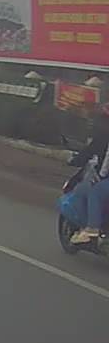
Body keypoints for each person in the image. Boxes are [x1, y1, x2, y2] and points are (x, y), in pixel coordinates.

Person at [69, 103, 109, 244]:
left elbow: (103, 161)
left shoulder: (104, 136)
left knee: (95, 190)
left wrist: (100, 176)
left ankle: (92, 231)